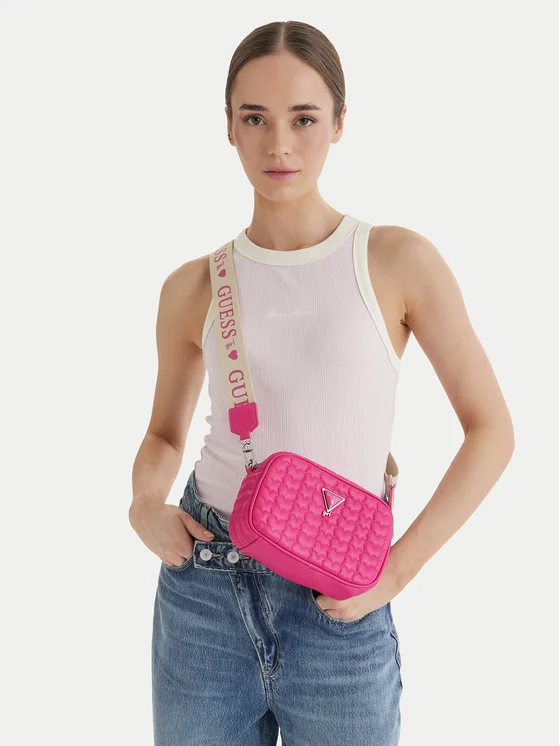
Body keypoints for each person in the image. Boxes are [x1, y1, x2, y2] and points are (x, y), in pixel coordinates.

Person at [129, 19, 515, 746]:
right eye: (255, 118)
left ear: (339, 122)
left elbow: (491, 430)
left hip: (341, 597)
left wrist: (395, 574)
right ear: (228, 127)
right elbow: (163, 435)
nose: (279, 144)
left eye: (304, 118)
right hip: (204, 590)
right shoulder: (192, 286)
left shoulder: (396, 260)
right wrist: (144, 503)